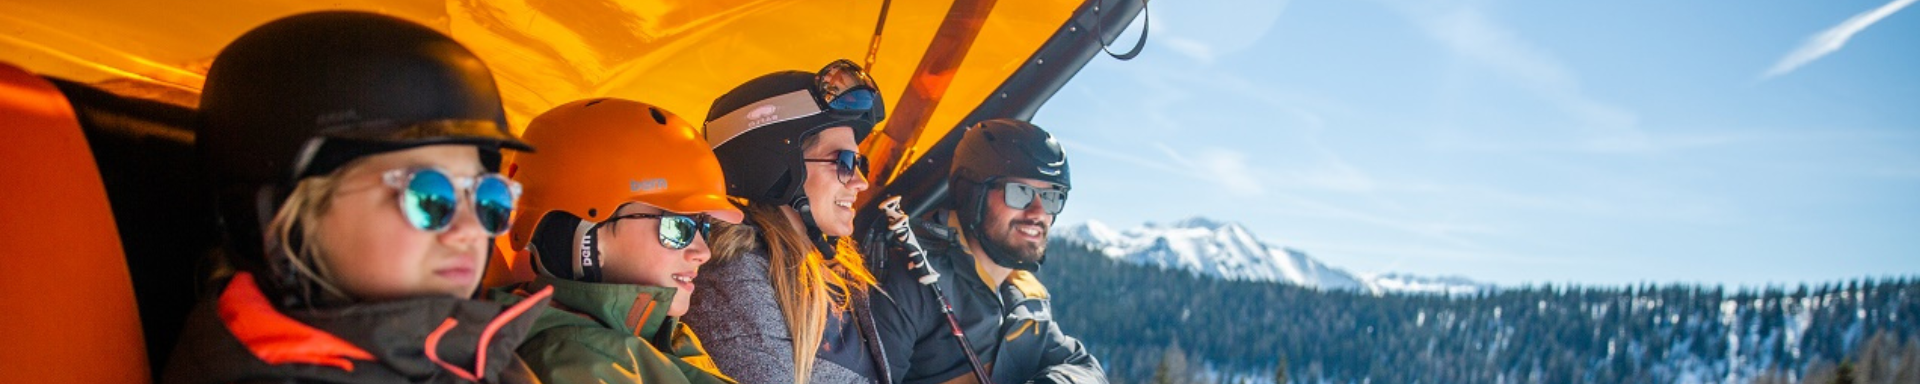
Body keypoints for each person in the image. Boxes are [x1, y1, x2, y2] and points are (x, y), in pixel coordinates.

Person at [162, 11, 548, 383]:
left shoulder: (471, 352)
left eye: (489, 199)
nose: (469, 230)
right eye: (429, 195)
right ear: (288, 216)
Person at [483, 98, 741, 384]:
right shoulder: (573, 363)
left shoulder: (665, 336)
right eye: (677, 226)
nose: (703, 252)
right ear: (586, 234)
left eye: (703, 228)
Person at [682, 59, 891, 384]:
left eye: (859, 161)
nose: (860, 181)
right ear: (776, 166)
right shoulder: (734, 282)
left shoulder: (836, 279)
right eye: (846, 162)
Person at [871, 119, 1107, 384]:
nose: (1039, 212)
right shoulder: (908, 279)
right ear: (972, 192)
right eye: (1020, 192)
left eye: (1053, 197)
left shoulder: (1023, 296)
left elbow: (1083, 367)